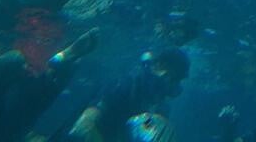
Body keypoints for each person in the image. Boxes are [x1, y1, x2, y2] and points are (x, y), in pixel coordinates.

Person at [54, 45, 190, 140]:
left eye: (178, 80)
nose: (173, 85)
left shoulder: (159, 107)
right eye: (173, 78)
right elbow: (84, 125)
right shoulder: (127, 84)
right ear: (159, 65)